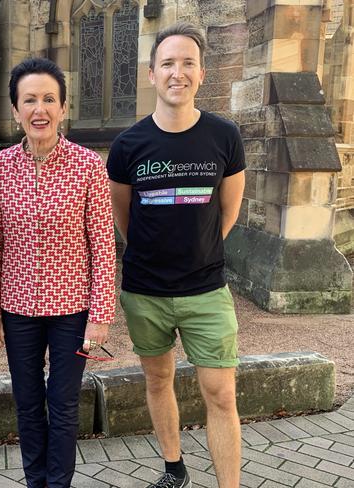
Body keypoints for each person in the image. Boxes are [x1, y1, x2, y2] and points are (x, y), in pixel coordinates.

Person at [107, 22, 246, 488]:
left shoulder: (224, 137)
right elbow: (125, 219)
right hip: (145, 291)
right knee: (157, 381)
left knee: (221, 394)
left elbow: (227, 212)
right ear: (152, 74)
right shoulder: (127, 146)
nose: (177, 72)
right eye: (167, 63)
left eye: (188, 63)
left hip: (207, 289)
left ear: (202, 73)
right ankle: (174, 468)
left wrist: (199, 249)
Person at [0, 58, 116, 488]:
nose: (40, 109)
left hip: (72, 311)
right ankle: (36, 481)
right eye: (30, 100)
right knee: (28, 402)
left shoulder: (88, 165)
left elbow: (103, 246)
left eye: (49, 99)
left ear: (63, 107)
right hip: (16, 309)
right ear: (16, 110)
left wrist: (101, 313)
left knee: (64, 402)